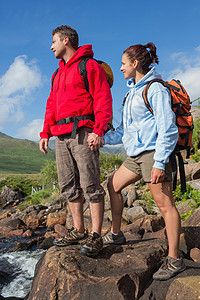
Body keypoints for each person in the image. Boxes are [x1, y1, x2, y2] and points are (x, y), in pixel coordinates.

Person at [90, 42, 186, 279]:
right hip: (134, 156)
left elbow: (168, 129)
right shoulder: (131, 92)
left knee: (165, 205)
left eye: (123, 64)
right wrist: (101, 137)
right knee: (112, 185)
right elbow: (124, 131)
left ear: (135, 63)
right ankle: (116, 234)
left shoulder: (155, 89)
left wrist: (160, 163)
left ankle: (175, 259)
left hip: (154, 153)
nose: (120, 68)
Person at [39, 25, 112, 257]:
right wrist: (44, 134)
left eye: (54, 41)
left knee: (91, 184)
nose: (51, 47)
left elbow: (102, 97)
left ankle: (96, 235)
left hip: (83, 131)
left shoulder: (88, 66)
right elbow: (51, 104)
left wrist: (99, 130)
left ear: (66, 40)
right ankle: (79, 230)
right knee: (68, 186)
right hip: (60, 135)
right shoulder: (57, 74)